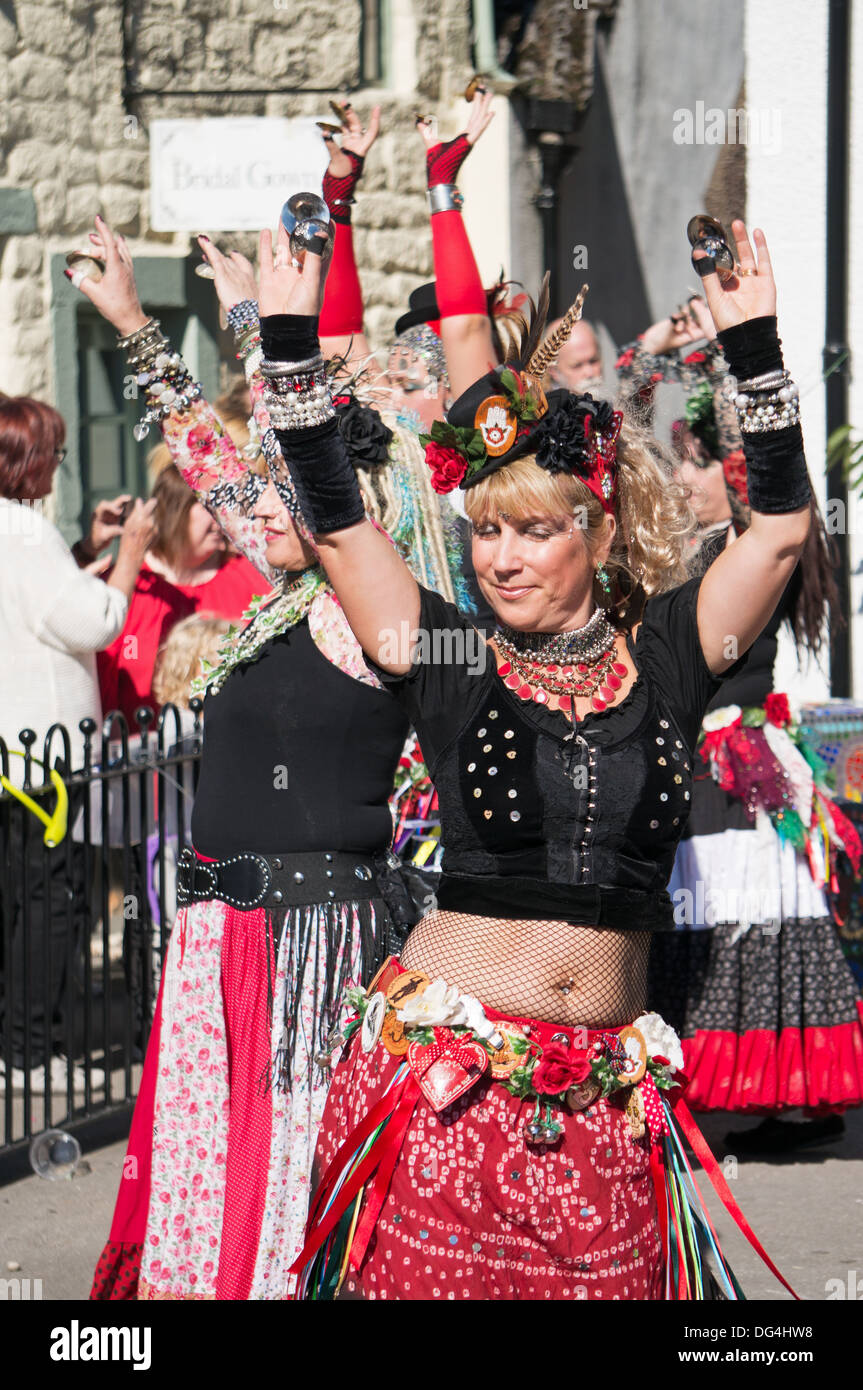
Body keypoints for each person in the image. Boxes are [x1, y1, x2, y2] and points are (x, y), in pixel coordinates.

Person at [255, 215, 809, 1299]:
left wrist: (755, 350)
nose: (503, 559)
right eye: (486, 532)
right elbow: (333, 526)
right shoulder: (452, 658)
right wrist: (286, 340)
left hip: (606, 1103)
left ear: (596, 533)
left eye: (536, 529)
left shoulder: (667, 656)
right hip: (445, 1092)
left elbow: (780, 530)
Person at [72, 214, 461, 1300]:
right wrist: (135, 323)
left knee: (283, 1160)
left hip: (306, 943)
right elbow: (215, 454)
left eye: (293, 488)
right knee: (210, 1157)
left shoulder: (362, 613)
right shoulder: (289, 596)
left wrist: (266, 328)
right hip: (217, 935)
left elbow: (307, 459)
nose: (254, 502)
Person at [647, 372, 863, 1154]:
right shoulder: (696, 548)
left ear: (731, 473)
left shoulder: (751, 546)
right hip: (704, 755)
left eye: (693, 463)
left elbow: (778, 498)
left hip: (731, 757)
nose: (679, 478)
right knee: (709, 915)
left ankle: (770, 1096)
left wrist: (734, 389)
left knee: (729, 915)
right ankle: (748, 1095)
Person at [0, 393, 154, 1093]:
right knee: (51, 900)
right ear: (28, 462)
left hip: (16, 749)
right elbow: (91, 623)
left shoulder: (26, 537)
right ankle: (29, 1055)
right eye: (54, 452)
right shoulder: (24, 535)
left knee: (20, 896)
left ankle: (19, 1042)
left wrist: (87, 549)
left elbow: (40, 610)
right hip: (48, 758)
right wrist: (130, 556)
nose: (60, 464)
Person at [97, 463, 267, 732]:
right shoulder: (128, 585)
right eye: (210, 506)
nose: (223, 515)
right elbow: (103, 681)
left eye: (225, 503)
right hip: (143, 759)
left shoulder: (250, 578)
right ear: (176, 510)